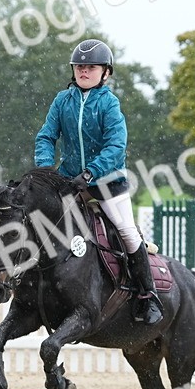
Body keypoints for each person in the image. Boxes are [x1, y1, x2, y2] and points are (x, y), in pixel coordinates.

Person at [34, 38, 163, 325]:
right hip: (70, 181)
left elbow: (116, 146)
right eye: (79, 67)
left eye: (90, 67)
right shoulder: (62, 100)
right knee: (44, 225)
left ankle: (147, 295)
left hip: (107, 182)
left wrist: (91, 172)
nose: (83, 71)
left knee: (127, 232)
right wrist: (45, 169)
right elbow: (46, 137)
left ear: (105, 73)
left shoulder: (109, 103)